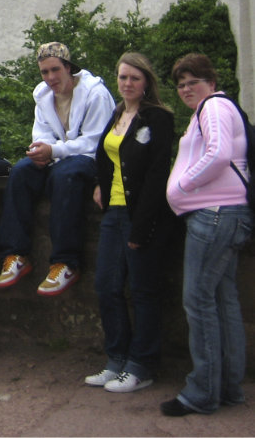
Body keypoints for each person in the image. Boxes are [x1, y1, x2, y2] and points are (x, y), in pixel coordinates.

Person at [160, 53, 252, 417]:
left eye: (192, 82)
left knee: (198, 301)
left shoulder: (212, 106)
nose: (185, 89)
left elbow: (217, 155)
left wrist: (180, 187)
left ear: (210, 82)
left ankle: (201, 392)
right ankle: (228, 386)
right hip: (228, 215)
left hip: (214, 215)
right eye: (180, 84)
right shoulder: (220, 106)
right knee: (223, 300)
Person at [84, 53, 175, 394]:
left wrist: (142, 227)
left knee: (143, 289)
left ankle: (142, 365)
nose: (127, 84)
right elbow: (107, 158)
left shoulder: (158, 118)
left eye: (134, 78)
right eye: (123, 78)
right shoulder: (117, 114)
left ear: (146, 82)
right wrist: (100, 186)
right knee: (107, 286)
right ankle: (116, 359)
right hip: (113, 213)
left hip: (142, 214)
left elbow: (155, 175)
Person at [0, 42, 114, 295]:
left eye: (55, 70)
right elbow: (42, 132)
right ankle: (16, 254)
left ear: (68, 68)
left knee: (65, 177)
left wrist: (54, 151)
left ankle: (65, 261)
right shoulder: (43, 96)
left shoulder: (96, 94)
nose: (50, 78)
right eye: (44, 72)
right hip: (59, 157)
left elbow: (95, 141)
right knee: (21, 172)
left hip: (91, 159)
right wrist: (41, 150)